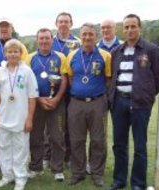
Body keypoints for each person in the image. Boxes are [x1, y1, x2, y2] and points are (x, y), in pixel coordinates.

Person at [108, 14, 159, 190]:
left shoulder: (152, 50)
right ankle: (119, 180)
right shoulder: (116, 52)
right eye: (126, 27)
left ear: (140, 28)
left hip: (140, 105)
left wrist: (146, 95)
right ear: (122, 30)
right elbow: (112, 77)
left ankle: (138, 184)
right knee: (119, 144)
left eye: (133, 26)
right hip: (119, 103)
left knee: (140, 146)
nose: (130, 30)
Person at [67, 23, 111, 187]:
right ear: (80, 35)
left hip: (97, 103)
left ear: (96, 36)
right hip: (76, 103)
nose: (87, 37)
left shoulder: (105, 55)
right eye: (84, 34)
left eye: (90, 34)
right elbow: (70, 78)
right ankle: (78, 173)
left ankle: (97, 173)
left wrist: (93, 92)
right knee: (77, 140)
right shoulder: (72, 55)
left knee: (98, 140)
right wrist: (81, 91)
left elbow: (107, 79)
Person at [0, 39, 38, 190]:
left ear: (21, 53)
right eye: (10, 51)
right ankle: (7, 175)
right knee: (4, 147)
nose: (13, 54)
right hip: (4, 117)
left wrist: (30, 119)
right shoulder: (0, 71)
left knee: (20, 148)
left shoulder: (27, 71)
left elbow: (33, 97)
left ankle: (20, 177)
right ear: (5, 53)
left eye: (16, 51)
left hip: (21, 118)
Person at [0, 18, 28, 174]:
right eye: (1, 27)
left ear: (12, 28)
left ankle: (15, 163)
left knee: (16, 130)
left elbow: (24, 69)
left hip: (15, 97)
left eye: (6, 27)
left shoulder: (21, 46)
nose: (4, 29)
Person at [26, 28, 67, 181]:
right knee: (35, 137)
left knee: (57, 136)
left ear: (52, 40)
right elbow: (27, 82)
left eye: (47, 38)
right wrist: (38, 99)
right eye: (41, 38)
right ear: (37, 40)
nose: (44, 41)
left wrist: (56, 99)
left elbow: (64, 80)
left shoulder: (60, 57)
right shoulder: (29, 58)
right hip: (36, 103)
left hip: (57, 103)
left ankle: (57, 169)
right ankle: (36, 167)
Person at [46, 11, 79, 169]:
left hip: (73, 90)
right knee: (51, 127)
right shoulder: (49, 41)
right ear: (56, 24)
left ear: (71, 24)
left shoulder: (77, 42)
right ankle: (48, 156)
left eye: (67, 21)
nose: (63, 24)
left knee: (71, 125)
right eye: (61, 21)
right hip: (53, 89)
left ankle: (68, 157)